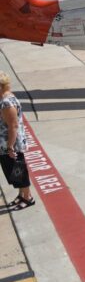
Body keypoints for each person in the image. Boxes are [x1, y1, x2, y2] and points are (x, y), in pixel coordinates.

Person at [0, 72, 33, 209]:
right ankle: (22, 195)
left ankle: (27, 197)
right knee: (15, 172)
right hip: (7, 143)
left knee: (18, 171)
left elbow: (13, 126)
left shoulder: (7, 103)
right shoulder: (6, 98)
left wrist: (10, 147)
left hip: (10, 144)